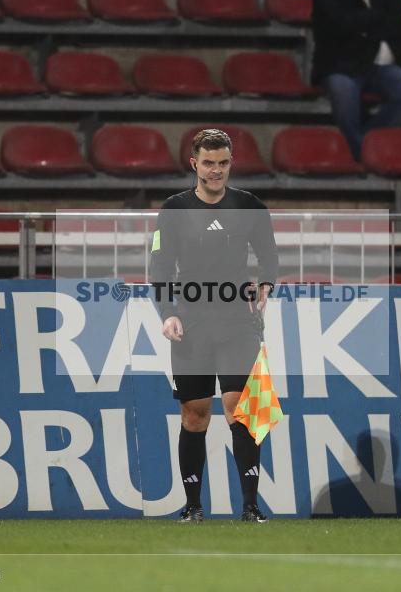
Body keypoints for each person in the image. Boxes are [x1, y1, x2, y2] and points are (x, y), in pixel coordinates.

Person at [150, 129, 279, 523]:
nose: (216, 170)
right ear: (194, 163)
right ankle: (192, 506)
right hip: (191, 322)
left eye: (223, 162)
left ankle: (251, 506)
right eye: (208, 163)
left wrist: (266, 283)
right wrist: (167, 312)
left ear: (230, 162)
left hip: (237, 320)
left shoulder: (249, 205)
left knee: (240, 409)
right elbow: (160, 266)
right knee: (195, 413)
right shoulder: (174, 209)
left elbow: (270, 255)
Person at [311, 0, 401, 161]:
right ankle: (363, 153)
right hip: (340, 64)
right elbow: (342, 25)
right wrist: (380, 18)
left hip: (381, 65)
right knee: (343, 90)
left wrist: (366, 27)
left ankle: (361, 144)